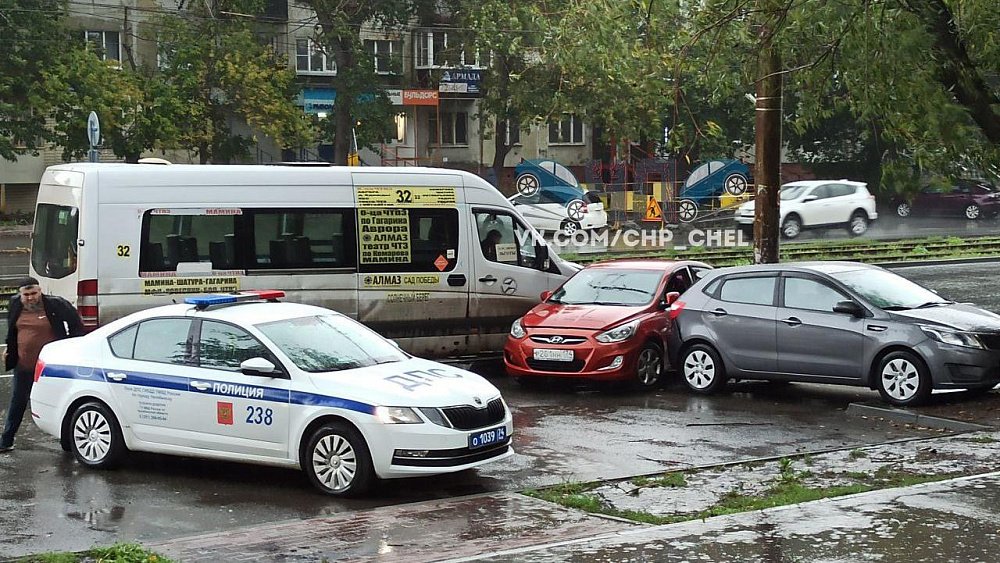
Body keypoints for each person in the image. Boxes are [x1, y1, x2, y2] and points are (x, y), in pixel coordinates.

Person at [1, 277, 84, 452]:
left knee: (59, 402)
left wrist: (69, 349)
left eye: (34, 293)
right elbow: (12, 329)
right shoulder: (15, 304)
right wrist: (9, 348)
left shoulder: (56, 305)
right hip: (23, 364)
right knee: (18, 401)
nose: (31, 298)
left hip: (50, 367)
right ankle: (7, 440)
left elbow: (77, 326)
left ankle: (67, 441)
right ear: (20, 294)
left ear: (40, 291)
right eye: (26, 294)